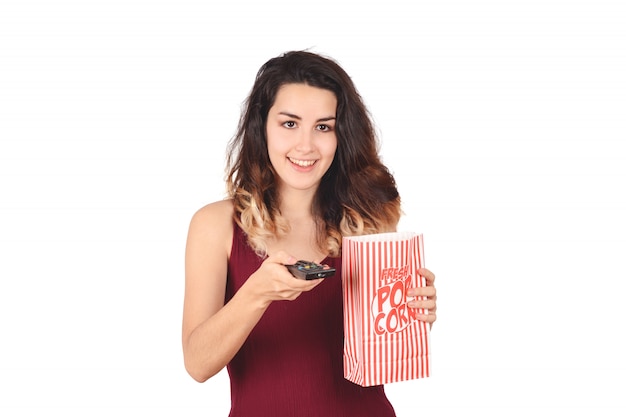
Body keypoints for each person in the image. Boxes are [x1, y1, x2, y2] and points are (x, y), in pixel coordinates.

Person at [182, 50, 437, 417]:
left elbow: (383, 356)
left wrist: (410, 314)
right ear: (262, 127)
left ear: (340, 135)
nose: (306, 146)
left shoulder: (370, 220)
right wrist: (256, 293)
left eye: (323, 127)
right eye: (289, 124)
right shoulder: (215, 225)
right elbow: (197, 364)